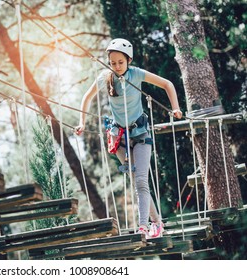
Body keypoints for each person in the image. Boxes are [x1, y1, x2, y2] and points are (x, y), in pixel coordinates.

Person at [75, 38, 182, 238]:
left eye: (120, 62)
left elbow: (167, 84)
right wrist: (82, 122)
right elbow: (87, 97)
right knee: (137, 183)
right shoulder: (105, 77)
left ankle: (143, 227)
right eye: (112, 62)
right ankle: (157, 223)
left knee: (141, 181)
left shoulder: (137, 74)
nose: (116, 66)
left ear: (129, 60)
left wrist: (175, 107)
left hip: (140, 134)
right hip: (119, 138)